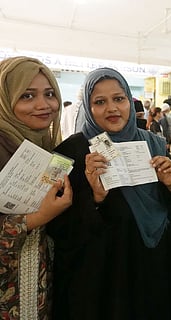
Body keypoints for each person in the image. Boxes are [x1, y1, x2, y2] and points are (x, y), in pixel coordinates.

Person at [47, 67, 171, 320]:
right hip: (104, 274)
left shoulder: (153, 144)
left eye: (119, 98)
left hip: (154, 263)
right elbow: (57, 226)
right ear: (88, 108)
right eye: (100, 102)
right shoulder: (69, 152)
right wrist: (94, 198)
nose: (112, 108)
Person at [0, 56, 73, 319]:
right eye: (27, 96)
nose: (43, 105)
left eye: (50, 94)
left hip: (36, 289)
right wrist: (38, 217)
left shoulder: (47, 149)